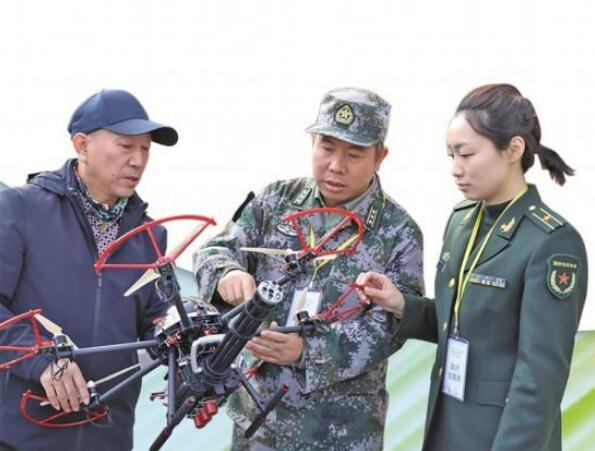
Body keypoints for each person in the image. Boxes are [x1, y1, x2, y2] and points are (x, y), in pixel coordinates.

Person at [357, 83, 588, 451]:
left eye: (466, 154)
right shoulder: (462, 221)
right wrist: (401, 304)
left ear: (513, 149)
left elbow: (540, 379)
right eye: (450, 155)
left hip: (502, 437)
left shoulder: (551, 243)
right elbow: (463, 324)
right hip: (448, 425)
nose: (455, 169)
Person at [193, 87, 424, 450]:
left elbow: (393, 326)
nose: (336, 166)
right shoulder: (276, 201)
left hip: (340, 433)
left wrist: (308, 351)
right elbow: (214, 250)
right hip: (259, 425)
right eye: (326, 148)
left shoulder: (398, 232)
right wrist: (227, 274)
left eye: (354, 154)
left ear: (381, 156)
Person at [0, 89, 178, 451]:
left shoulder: (152, 237)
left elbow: (159, 320)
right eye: (126, 146)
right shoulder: (20, 209)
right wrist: (41, 359)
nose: (138, 161)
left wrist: (179, 329)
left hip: (107, 438)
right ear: (82, 145)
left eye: (145, 149)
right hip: (18, 436)